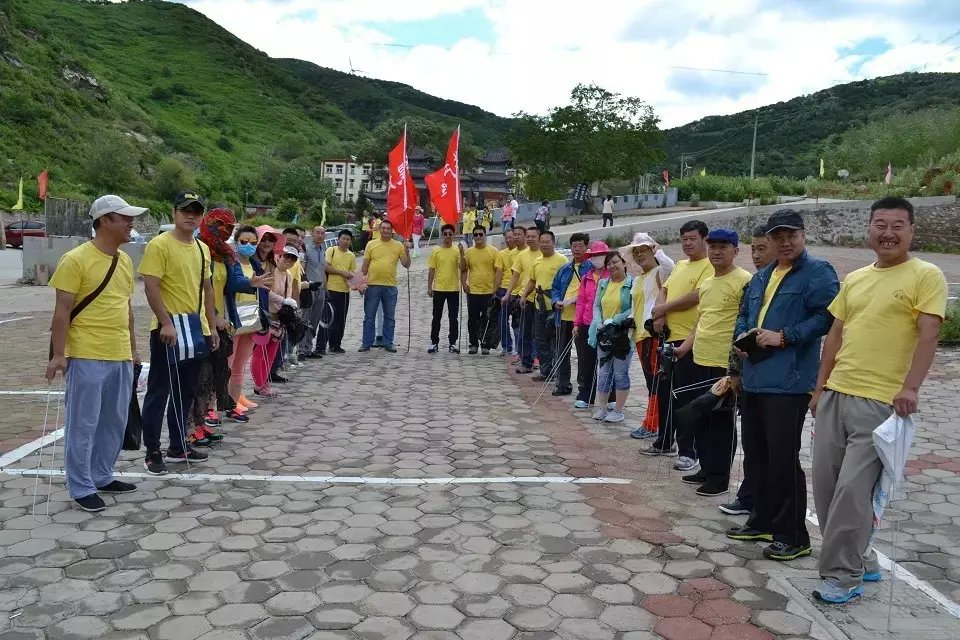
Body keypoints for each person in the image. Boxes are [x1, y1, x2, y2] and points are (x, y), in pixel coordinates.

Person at [811, 197, 946, 603]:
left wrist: (911, 388)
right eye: (880, 225)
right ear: (869, 229)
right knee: (826, 487)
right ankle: (864, 558)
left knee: (852, 493)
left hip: (880, 403)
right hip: (836, 395)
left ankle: (843, 576)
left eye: (897, 225)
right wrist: (820, 389)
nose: (888, 233)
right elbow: (835, 336)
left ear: (911, 231)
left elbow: (929, 334)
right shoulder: (855, 279)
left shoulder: (926, 275)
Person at [725, 209, 839, 563]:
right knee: (756, 455)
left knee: (783, 460)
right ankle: (761, 521)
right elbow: (745, 314)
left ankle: (793, 535)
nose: (785, 242)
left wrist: (785, 336)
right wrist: (741, 339)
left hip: (789, 383)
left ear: (803, 235)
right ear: (770, 240)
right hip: (755, 378)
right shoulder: (762, 276)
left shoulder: (818, 272)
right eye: (778, 237)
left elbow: (828, 317)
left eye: (791, 235)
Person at [46, 195, 145, 511]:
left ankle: (102, 475)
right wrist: (58, 354)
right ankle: (81, 486)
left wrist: (133, 349)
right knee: (83, 424)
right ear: (105, 221)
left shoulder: (124, 260)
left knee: (114, 422)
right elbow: (62, 311)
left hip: (119, 354)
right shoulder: (75, 259)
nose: (131, 223)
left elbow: (126, 308)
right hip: (87, 353)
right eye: (124, 218)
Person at [139, 191, 218, 475]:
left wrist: (212, 325)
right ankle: (152, 451)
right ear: (174, 212)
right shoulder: (159, 245)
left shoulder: (202, 248)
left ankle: (177, 445)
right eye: (185, 210)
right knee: (158, 392)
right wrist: (165, 322)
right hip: (169, 330)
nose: (190, 216)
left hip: (195, 329)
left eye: (196, 212)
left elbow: (207, 289)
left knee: (185, 392)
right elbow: (151, 286)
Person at [672, 229, 752, 494]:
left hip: (723, 364)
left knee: (720, 423)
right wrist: (684, 348)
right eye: (713, 247)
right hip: (700, 358)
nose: (716, 251)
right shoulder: (707, 283)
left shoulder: (744, 281)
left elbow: (745, 323)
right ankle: (705, 468)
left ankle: (719, 479)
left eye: (723, 247)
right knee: (701, 417)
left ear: (735, 251)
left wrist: (736, 367)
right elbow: (701, 320)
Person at [189, 209, 270, 445]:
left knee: (217, 372)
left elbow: (234, 282)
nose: (223, 231)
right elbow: (196, 290)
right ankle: (194, 426)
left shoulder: (226, 254)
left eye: (228, 227)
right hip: (200, 320)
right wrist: (212, 316)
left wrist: (250, 282)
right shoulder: (197, 249)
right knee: (200, 376)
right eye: (219, 226)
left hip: (225, 321)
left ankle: (204, 422)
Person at [643, 220, 714, 458]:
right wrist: (660, 314)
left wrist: (663, 309)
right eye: (684, 239)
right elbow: (664, 289)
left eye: (693, 239)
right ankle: (664, 441)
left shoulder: (709, 266)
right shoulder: (681, 265)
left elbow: (696, 296)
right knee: (665, 393)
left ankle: (687, 451)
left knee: (686, 396)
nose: (687, 243)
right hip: (668, 339)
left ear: (704, 240)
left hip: (690, 341)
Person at [719, 223, 776, 516]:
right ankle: (749, 496)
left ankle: (766, 504)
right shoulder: (754, 283)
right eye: (753, 249)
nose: (756, 255)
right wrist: (735, 370)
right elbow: (740, 324)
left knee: (773, 447)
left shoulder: (789, 283)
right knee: (752, 443)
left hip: (779, 379)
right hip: (750, 372)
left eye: (762, 248)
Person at [621, 233, 670, 439]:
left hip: (654, 334)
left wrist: (659, 251)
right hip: (640, 335)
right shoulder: (639, 279)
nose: (640, 255)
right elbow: (637, 307)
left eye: (644, 250)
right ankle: (652, 423)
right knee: (651, 381)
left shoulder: (660, 272)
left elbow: (671, 268)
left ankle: (652, 424)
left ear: (652, 251)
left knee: (656, 381)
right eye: (636, 252)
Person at [227, 225, 273, 413]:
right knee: (228, 363)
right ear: (236, 242)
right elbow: (233, 284)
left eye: (253, 242)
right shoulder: (231, 263)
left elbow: (262, 292)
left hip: (252, 318)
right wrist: (249, 283)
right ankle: (224, 402)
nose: (249, 245)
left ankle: (236, 399)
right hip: (234, 318)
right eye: (244, 241)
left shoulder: (256, 265)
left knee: (240, 363)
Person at [588, 252, 635, 423]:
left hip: (623, 335)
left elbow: (634, 308)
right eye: (609, 263)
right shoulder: (603, 283)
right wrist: (599, 322)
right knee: (603, 372)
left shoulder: (632, 284)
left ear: (624, 263)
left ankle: (618, 410)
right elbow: (596, 306)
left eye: (615, 262)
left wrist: (615, 320)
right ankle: (602, 408)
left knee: (620, 373)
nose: (612, 266)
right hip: (603, 333)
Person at [252, 245, 299, 397]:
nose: (288, 260)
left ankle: (265, 383)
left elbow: (289, 295)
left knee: (271, 354)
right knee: (260, 353)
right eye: (286, 256)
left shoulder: (289, 275)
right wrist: (283, 300)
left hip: (280, 319)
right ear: (279, 256)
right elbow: (265, 292)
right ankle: (259, 384)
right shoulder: (271, 270)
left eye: (292, 259)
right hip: (267, 317)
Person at [523, 231, 568, 382]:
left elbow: (566, 283)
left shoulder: (562, 260)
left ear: (553, 242)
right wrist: (524, 295)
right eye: (542, 241)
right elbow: (532, 280)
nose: (544, 244)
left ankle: (556, 371)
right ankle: (545, 371)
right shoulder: (537, 261)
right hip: (539, 306)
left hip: (556, 308)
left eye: (547, 241)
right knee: (540, 339)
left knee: (555, 340)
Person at [361, 219, 411, 352]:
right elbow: (364, 267)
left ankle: (388, 342)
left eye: (388, 228)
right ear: (379, 229)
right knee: (369, 316)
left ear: (391, 230)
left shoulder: (398, 245)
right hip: (372, 285)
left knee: (389, 317)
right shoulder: (371, 244)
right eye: (383, 228)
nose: (385, 230)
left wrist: (407, 251)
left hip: (390, 286)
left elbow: (406, 264)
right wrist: (361, 284)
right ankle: (366, 343)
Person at [573, 241, 612, 409]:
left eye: (601, 255)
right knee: (586, 362)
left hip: (606, 325)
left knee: (608, 362)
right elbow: (581, 302)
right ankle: (585, 394)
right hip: (587, 324)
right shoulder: (586, 277)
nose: (598, 258)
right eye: (595, 256)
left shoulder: (612, 275)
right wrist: (576, 323)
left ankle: (611, 397)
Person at [551, 232, 590, 395]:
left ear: (586, 247)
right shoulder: (565, 268)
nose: (577, 249)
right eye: (574, 246)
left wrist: (576, 299)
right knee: (561, 352)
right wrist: (556, 301)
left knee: (583, 355)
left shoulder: (591, 268)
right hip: (563, 316)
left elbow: (592, 291)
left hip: (582, 319)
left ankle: (584, 388)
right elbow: (555, 288)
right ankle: (563, 384)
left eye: (580, 246)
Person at [504, 227, 542, 373]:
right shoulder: (521, 255)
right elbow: (515, 276)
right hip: (525, 297)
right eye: (529, 236)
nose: (530, 239)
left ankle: (539, 359)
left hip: (542, 299)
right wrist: (508, 294)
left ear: (539, 238)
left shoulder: (544, 254)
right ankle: (526, 362)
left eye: (533, 236)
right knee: (524, 331)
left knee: (538, 333)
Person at [463, 225, 500, 354]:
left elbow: (498, 271)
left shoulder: (493, 251)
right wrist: (464, 283)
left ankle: (486, 344)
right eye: (475, 235)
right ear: (473, 237)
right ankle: (473, 344)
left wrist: (496, 288)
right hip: (473, 291)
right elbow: (464, 269)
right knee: (473, 319)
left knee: (487, 319)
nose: (478, 237)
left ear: (485, 235)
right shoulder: (468, 252)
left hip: (489, 291)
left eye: (481, 234)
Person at [427, 223, 462, 354]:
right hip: (439, 288)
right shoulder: (436, 250)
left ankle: (452, 343)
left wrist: (462, 254)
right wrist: (429, 287)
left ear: (453, 235)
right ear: (442, 235)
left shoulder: (457, 250)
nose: (448, 236)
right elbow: (432, 269)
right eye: (445, 234)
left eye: (450, 234)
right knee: (436, 316)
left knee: (453, 318)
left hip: (453, 288)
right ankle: (434, 342)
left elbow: (463, 267)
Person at [323, 229, 356, 354]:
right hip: (331, 289)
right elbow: (326, 267)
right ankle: (323, 344)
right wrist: (342, 272)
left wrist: (356, 282)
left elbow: (352, 272)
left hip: (344, 291)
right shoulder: (331, 250)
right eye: (343, 238)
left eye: (348, 239)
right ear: (338, 239)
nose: (345, 241)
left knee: (341, 319)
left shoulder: (351, 256)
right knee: (330, 318)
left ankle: (336, 344)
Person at [299, 225, 327, 359]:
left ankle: (308, 348)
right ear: (312, 233)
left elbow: (323, 269)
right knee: (305, 319)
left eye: (322, 233)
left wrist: (325, 287)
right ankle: (300, 349)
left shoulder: (323, 250)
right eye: (317, 233)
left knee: (315, 320)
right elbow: (302, 270)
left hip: (321, 290)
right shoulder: (306, 249)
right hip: (309, 289)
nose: (320, 235)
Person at [494, 228, 520, 355]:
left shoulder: (522, 252)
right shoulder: (501, 254)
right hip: (504, 289)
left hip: (518, 290)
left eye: (511, 237)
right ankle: (507, 346)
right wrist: (495, 290)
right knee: (502, 319)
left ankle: (519, 349)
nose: (509, 240)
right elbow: (499, 272)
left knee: (517, 321)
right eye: (507, 238)